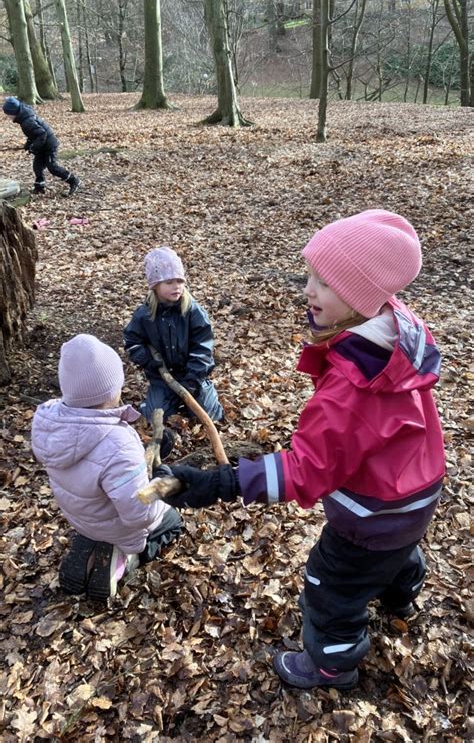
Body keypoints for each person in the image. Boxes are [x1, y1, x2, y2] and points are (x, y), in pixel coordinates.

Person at [157, 209, 445, 691]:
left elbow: (307, 470)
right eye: (309, 275)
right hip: (416, 494)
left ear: (359, 297)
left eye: (325, 283)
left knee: (330, 585)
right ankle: (401, 594)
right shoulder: (396, 335)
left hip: (371, 513)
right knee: (395, 550)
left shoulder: (352, 388)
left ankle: (333, 664)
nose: (308, 290)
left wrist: (221, 483)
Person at [31, 334, 182, 600]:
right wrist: (161, 489)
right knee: (173, 521)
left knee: (105, 507)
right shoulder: (118, 443)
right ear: (113, 389)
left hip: (82, 516)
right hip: (120, 526)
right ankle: (128, 558)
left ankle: (92, 539)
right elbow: (140, 513)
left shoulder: (50, 422)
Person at [124, 246, 224, 425]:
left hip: (194, 377)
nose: (176, 286)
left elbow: (203, 347)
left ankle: (203, 398)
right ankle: (163, 401)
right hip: (163, 379)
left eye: (180, 281)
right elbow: (132, 342)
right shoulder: (144, 314)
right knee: (153, 418)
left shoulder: (193, 311)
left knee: (210, 416)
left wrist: (191, 381)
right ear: (155, 286)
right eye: (169, 282)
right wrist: (147, 360)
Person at [2, 96, 80, 197]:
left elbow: (42, 134)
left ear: (13, 112)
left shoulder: (26, 121)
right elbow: (33, 134)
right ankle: (39, 187)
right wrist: (28, 144)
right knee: (37, 166)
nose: (8, 116)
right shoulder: (24, 116)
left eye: (8, 114)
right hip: (42, 145)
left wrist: (34, 147)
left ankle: (74, 181)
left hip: (49, 145)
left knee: (52, 167)